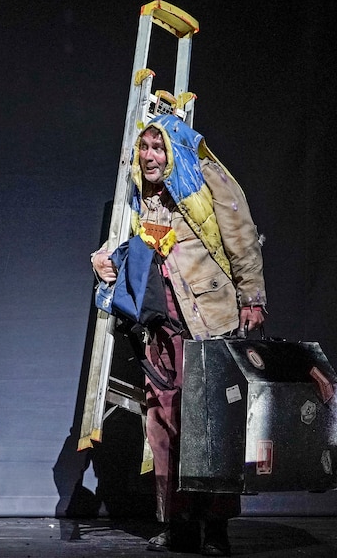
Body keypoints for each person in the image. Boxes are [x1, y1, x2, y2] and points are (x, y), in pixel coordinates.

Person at [91, 113, 266, 556]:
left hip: (209, 320)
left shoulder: (203, 179)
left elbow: (241, 238)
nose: (150, 156)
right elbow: (133, 250)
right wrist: (106, 260)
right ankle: (177, 522)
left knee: (213, 425)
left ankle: (217, 527)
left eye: (157, 147)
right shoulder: (137, 194)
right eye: (144, 148)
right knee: (164, 424)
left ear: (171, 149)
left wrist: (252, 299)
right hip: (160, 328)